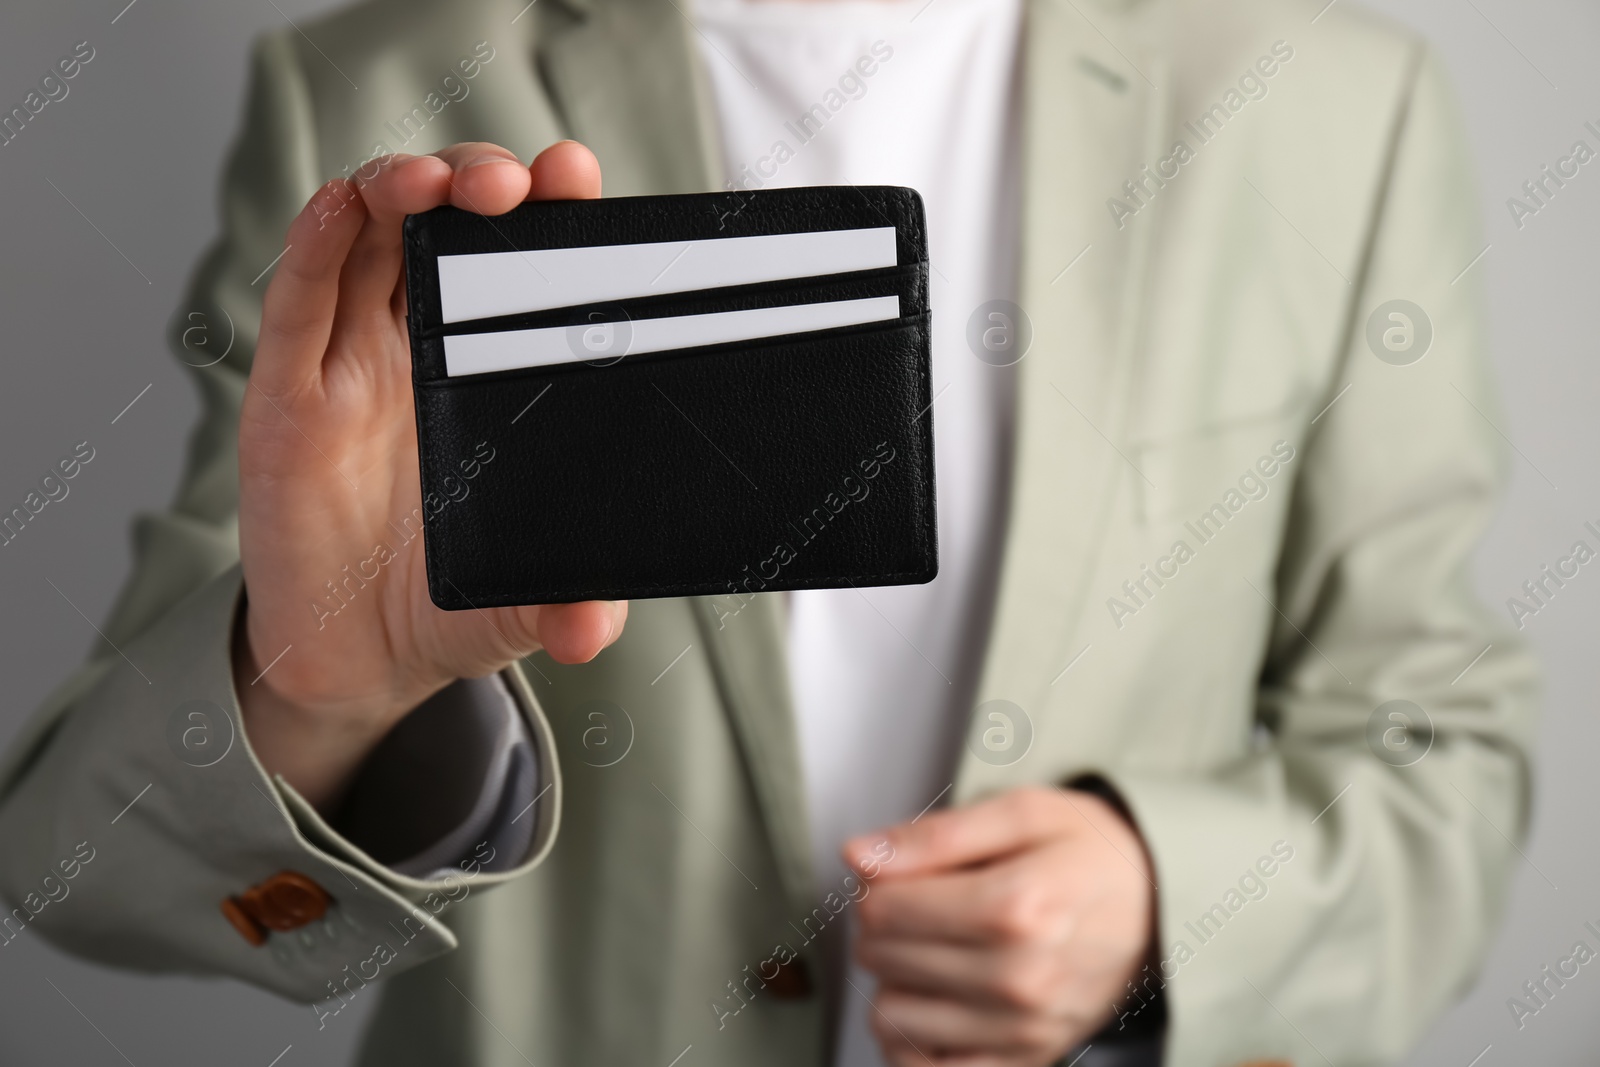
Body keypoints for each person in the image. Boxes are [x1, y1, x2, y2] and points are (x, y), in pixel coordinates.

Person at [0, 0, 1538, 1063]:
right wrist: (319, 687)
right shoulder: (371, 95)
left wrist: (1166, 907)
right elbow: (79, 866)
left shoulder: (1328, 103)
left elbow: (1443, 765)